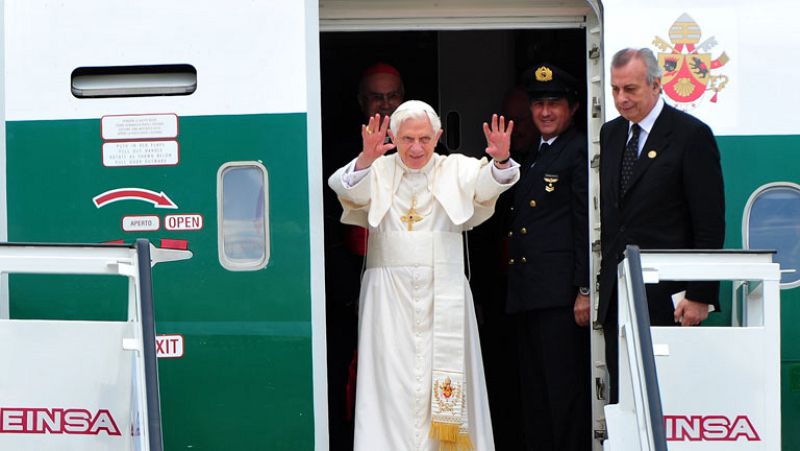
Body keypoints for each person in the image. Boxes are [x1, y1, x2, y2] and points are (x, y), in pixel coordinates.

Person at [328, 100, 519, 450]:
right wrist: (367, 158)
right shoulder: (379, 170)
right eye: (407, 139)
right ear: (392, 137)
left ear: (438, 136)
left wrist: (502, 160)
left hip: (442, 292)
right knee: (389, 384)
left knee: (441, 380)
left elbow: (492, 183)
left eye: (425, 139)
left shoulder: (456, 169)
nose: (416, 148)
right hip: (388, 299)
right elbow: (343, 185)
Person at [598, 48, 725, 402]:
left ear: (656, 85)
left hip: (671, 300)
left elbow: (709, 221)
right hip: (619, 296)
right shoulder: (610, 135)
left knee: (671, 400)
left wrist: (701, 294)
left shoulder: (690, 135)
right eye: (615, 89)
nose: (622, 99)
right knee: (624, 400)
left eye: (631, 89)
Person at [504, 63, 590, 450]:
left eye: (554, 102)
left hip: (561, 298)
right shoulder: (534, 154)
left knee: (563, 396)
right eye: (538, 103)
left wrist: (584, 288)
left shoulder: (580, 152)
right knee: (534, 396)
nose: (545, 112)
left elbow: (584, 225)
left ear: (572, 107)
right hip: (530, 294)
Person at [323, 62, 407, 450]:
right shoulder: (339, 148)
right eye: (377, 96)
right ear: (362, 101)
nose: (386, 105)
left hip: (404, 285)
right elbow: (328, 225)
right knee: (346, 372)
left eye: (393, 96)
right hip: (349, 279)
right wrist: (347, 292)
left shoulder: (419, 143)